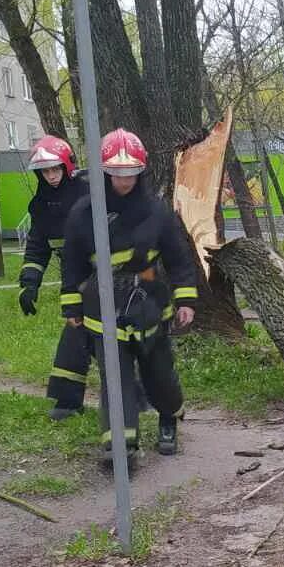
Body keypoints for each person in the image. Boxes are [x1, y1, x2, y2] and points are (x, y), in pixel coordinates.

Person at [60, 128, 199, 467]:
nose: (125, 180)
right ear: (106, 173)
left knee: (159, 372)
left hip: (149, 300)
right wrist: (72, 304)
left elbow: (179, 258)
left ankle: (169, 418)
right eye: (117, 173)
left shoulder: (158, 212)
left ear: (141, 171)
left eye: (131, 173)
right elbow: (72, 263)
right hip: (103, 306)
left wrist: (185, 301)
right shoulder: (83, 213)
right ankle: (120, 447)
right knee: (115, 377)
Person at [16, 136, 92, 420]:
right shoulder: (40, 205)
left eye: (55, 169)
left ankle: (152, 396)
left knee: (121, 340)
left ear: (66, 166)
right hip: (74, 279)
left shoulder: (89, 193)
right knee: (75, 334)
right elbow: (38, 246)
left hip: (109, 275)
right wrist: (29, 284)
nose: (51, 176)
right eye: (45, 171)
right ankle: (68, 402)